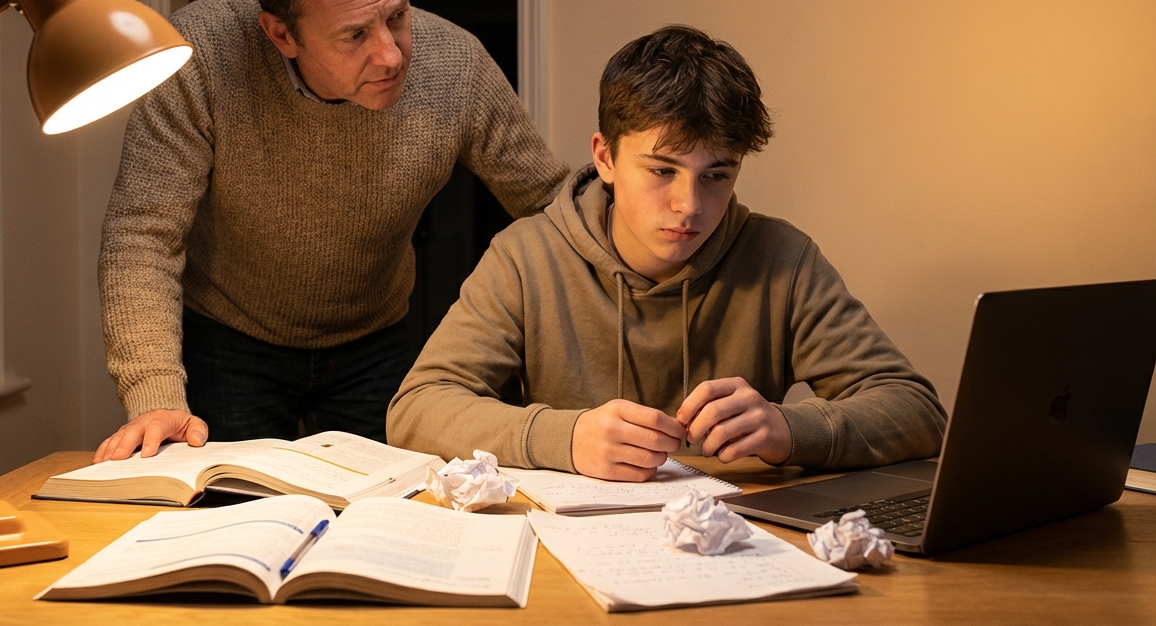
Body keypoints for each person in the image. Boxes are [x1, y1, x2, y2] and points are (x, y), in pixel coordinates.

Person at [92, 0, 567, 462]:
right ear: (281, 34)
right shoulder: (198, 56)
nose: (391, 54)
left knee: (375, 519)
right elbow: (142, 236)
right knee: (238, 520)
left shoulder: (457, 64)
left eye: (398, 15)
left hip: (377, 341)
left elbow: (551, 209)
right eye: (355, 35)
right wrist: (154, 394)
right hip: (228, 339)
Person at [387, 25, 946, 481]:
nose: (690, 206)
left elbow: (918, 412)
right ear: (605, 158)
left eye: (717, 175)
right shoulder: (524, 258)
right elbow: (416, 409)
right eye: (662, 170)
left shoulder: (783, 258)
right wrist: (568, 437)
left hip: (737, 553)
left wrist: (790, 428)